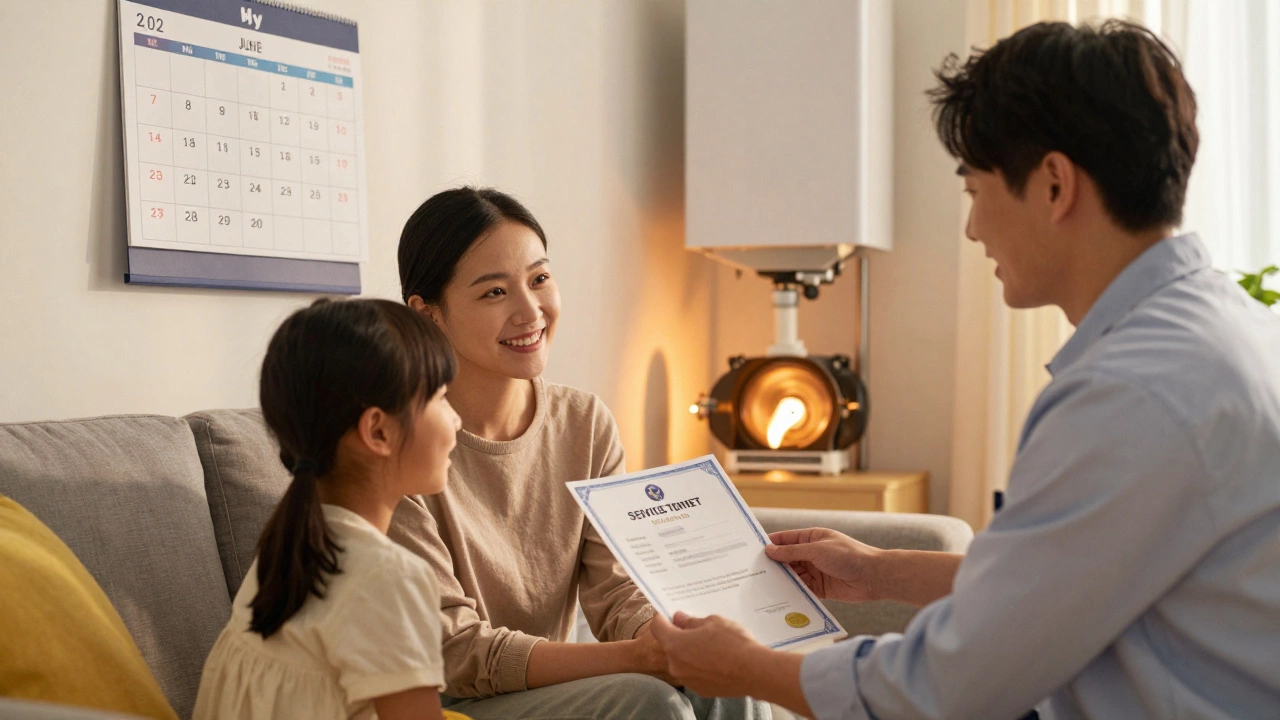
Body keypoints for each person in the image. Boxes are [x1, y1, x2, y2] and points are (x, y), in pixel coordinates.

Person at [650, 19, 1280, 720]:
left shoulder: (1133, 392)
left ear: (1053, 185)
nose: (973, 229)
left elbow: (950, 688)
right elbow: (1064, 581)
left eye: (975, 191)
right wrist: (882, 571)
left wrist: (746, 668)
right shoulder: (1231, 332)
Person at [389, 187, 769, 720]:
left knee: (726, 674)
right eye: (494, 292)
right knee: (649, 702)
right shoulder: (397, 445)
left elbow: (616, 590)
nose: (531, 311)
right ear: (428, 315)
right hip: (451, 704)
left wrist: (668, 637)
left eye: (539, 279)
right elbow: (455, 654)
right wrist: (636, 658)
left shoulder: (584, 423)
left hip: (551, 688)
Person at [193, 298, 468, 720]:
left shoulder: (285, 553)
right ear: (378, 430)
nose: (457, 421)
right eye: (443, 398)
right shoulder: (388, 577)